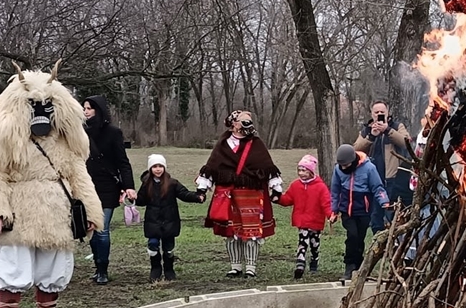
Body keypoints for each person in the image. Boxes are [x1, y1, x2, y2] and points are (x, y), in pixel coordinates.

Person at [0, 62, 104, 308]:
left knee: (52, 271)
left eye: (47, 104)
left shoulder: (65, 141)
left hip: (57, 213)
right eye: (35, 105)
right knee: (13, 271)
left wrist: (91, 213)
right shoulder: (6, 140)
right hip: (19, 214)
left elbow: (78, 175)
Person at [195, 110, 283, 278]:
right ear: (233, 124)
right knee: (231, 232)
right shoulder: (223, 145)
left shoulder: (256, 144)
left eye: (248, 121)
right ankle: (235, 266)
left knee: (252, 232)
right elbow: (213, 167)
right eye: (243, 121)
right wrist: (202, 189)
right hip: (229, 194)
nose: (246, 124)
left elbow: (267, 166)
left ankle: (251, 267)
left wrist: (276, 189)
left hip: (252, 194)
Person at [84, 95, 136, 285]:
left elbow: (123, 162)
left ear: (99, 109)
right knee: (90, 229)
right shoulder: (80, 132)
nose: (86, 111)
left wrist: (128, 186)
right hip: (86, 186)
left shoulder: (113, 132)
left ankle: (103, 268)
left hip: (107, 186)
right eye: (84, 108)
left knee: (102, 229)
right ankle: (97, 267)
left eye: (89, 108)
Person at [136, 154, 203, 282]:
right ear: (150, 169)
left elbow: (184, 194)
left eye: (160, 166)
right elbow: (141, 200)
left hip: (170, 221)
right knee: (153, 244)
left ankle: (169, 269)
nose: (158, 169)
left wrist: (197, 197)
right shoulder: (146, 184)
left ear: (164, 168)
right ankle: (155, 268)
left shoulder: (172, 183)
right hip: (153, 221)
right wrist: (131, 198)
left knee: (168, 247)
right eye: (155, 166)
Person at [330, 143, 390, 281]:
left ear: (353, 161)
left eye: (346, 165)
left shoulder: (369, 168)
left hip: (363, 210)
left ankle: (358, 267)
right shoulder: (338, 170)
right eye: (341, 166)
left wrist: (384, 201)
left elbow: (377, 187)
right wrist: (334, 211)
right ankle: (349, 266)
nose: (343, 168)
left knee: (359, 238)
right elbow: (335, 191)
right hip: (347, 210)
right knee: (352, 236)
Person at [354, 100, 412, 232]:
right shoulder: (366, 130)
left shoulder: (396, 126)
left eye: (382, 112)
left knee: (393, 216)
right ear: (371, 114)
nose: (379, 114)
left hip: (393, 179)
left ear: (388, 113)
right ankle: (378, 248)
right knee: (375, 218)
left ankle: (394, 246)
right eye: (376, 112)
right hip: (373, 181)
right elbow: (356, 150)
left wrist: (388, 130)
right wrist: (371, 137)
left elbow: (406, 143)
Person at [279, 154, 331, 279]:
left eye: (304, 170)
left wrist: (330, 215)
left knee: (314, 243)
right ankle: (300, 263)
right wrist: (277, 197)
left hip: (316, 220)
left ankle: (314, 259)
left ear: (311, 171)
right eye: (299, 170)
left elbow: (326, 203)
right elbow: (287, 199)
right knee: (303, 240)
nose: (301, 173)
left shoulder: (320, 187)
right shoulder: (295, 185)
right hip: (302, 220)